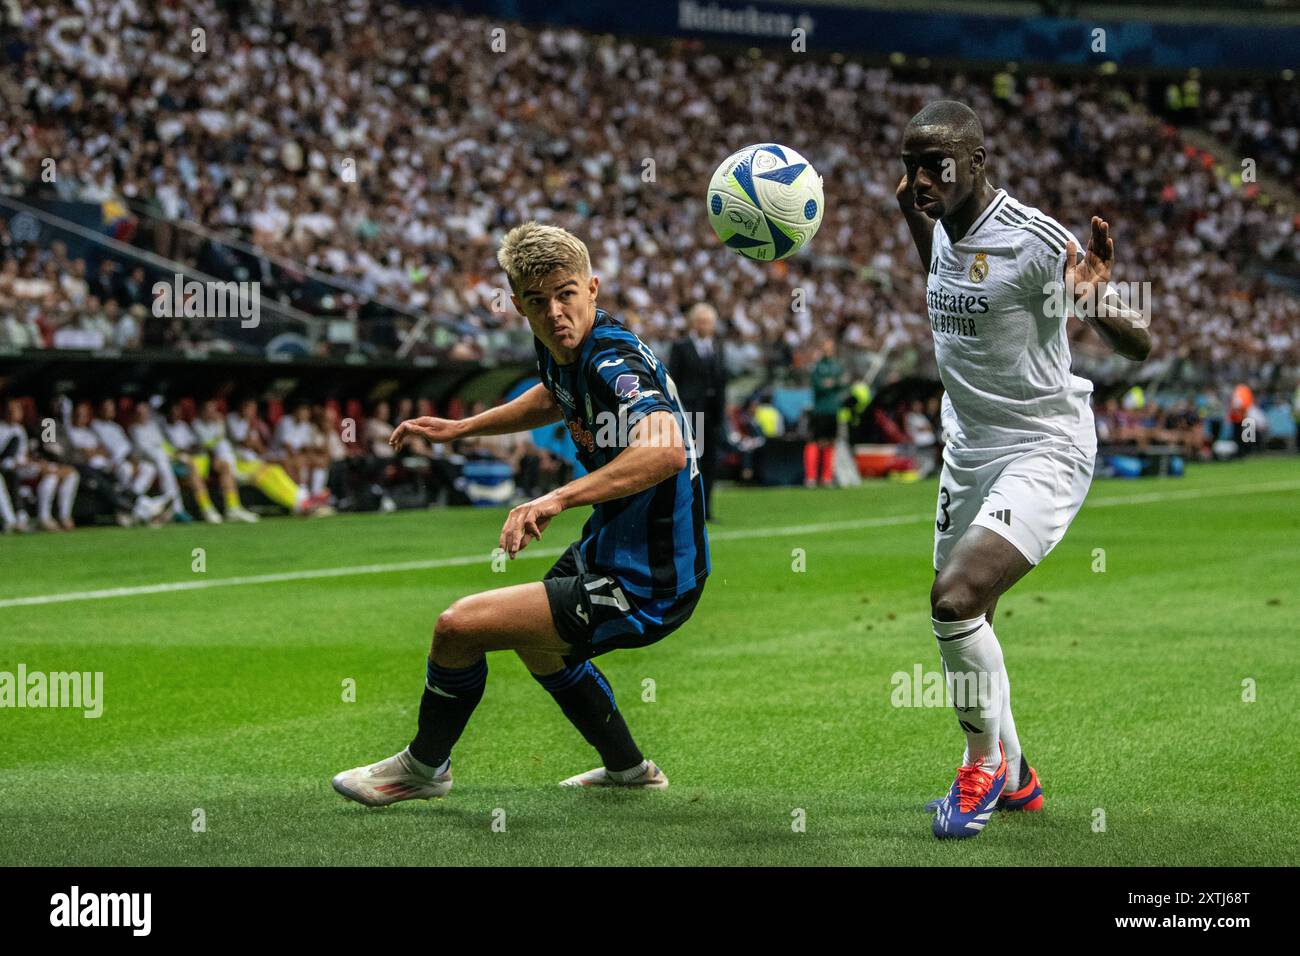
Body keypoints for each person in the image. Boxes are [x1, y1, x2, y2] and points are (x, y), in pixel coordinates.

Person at [332, 221, 708, 805]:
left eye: (566, 294)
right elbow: (553, 392)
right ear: (518, 305)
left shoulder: (611, 358)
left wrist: (555, 496)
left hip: (651, 576)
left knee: (459, 627)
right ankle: (630, 771)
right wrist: (464, 427)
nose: (554, 311)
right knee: (537, 644)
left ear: (593, 289)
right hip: (613, 547)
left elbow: (665, 448)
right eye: (537, 301)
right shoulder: (565, 346)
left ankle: (425, 767)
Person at [896, 100, 1151, 839]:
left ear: (977, 162)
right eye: (911, 165)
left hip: (1044, 446)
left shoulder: (1037, 240)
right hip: (967, 448)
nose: (919, 180)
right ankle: (1015, 778)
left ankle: (979, 768)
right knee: (968, 615)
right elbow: (947, 273)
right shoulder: (934, 218)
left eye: (935, 164)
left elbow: (1138, 344)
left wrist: (1094, 297)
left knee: (954, 600)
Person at [669, 302, 726, 518]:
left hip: (712, 414)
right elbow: (672, 380)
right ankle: (686, 509)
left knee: (710, 463)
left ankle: (706, 508)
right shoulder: (681, 347)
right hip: (691, 414)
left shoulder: (717, 348)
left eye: (709, 322)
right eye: (702, 322)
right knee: (692, 462)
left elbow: (721, 382)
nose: (706, 326)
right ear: (694, 323)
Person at [805, 337, 847, 487]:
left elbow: (842, 384)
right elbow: (819, 385)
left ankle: (827, 477)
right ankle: (810, 477)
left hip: (833, 408)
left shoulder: (837, 366)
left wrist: (831, 383)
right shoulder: (817, 367)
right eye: (825, 347)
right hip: (820, 409)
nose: (828, 350)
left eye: (830, 347)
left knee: (830, 442)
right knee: (815, 441)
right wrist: (831, 384)